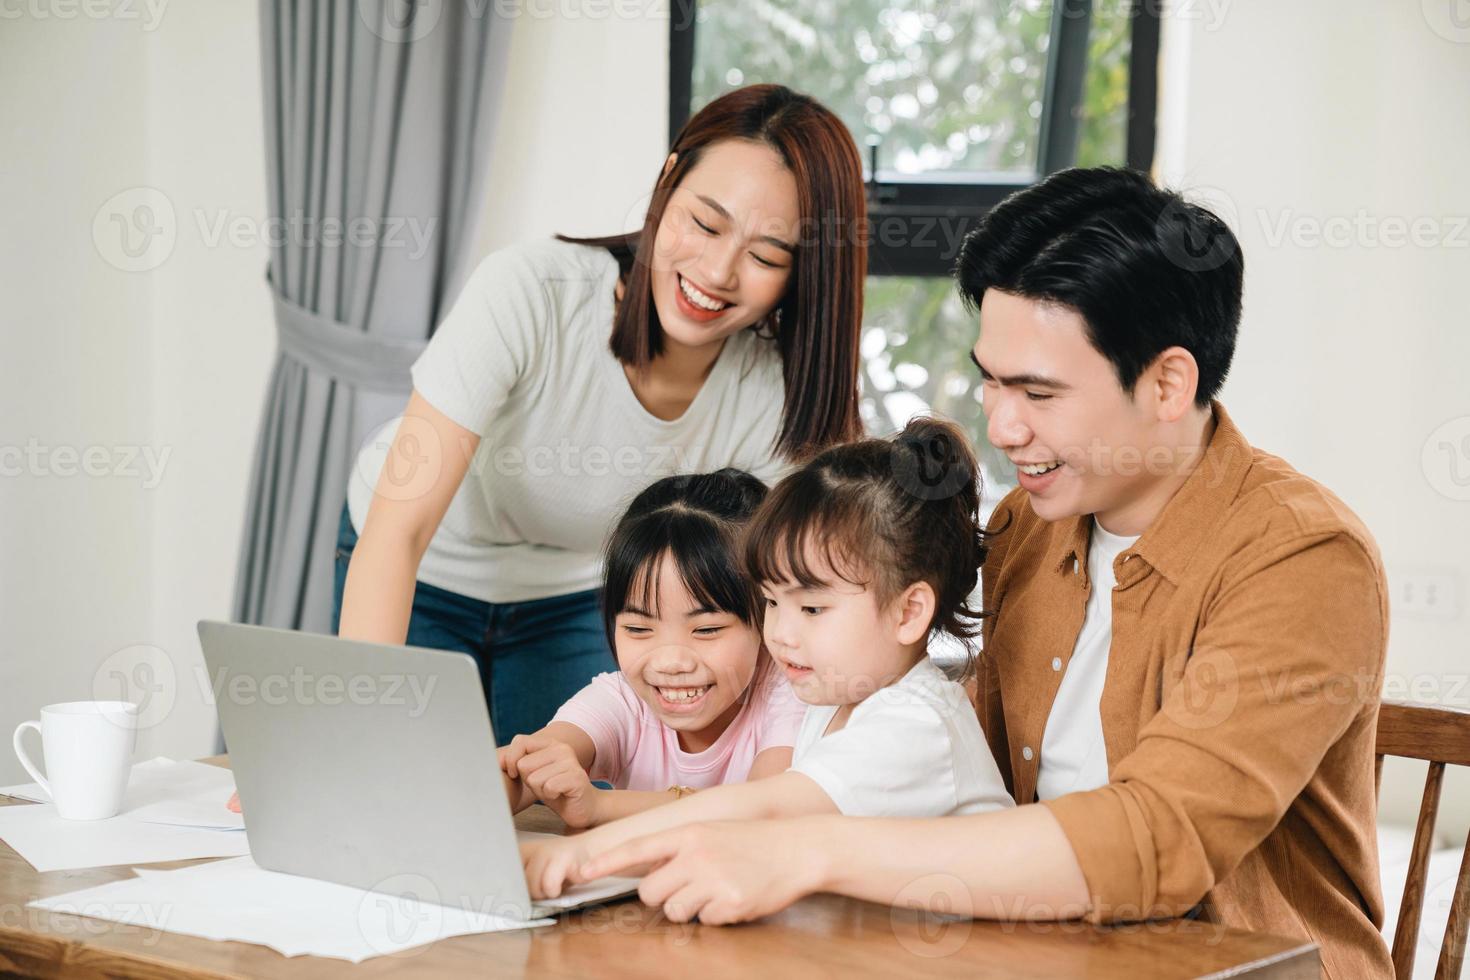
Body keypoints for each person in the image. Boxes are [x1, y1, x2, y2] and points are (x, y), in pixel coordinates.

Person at [578, 167, 1393, 979]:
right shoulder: (1027, 530)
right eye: (992, 381)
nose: (1002, 425)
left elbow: (1156, 840)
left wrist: (808, 849)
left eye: (1038, 392)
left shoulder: (1302, 560)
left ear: (1168, 382)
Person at [335, 84, 866, 745]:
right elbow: (399, 528)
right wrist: (352, 734)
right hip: (421, 560)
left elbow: (778, 598)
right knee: (398, 781)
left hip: (570, 594)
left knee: (558, 798)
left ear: (802, 273)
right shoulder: (532, 292)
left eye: (765, 256)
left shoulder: (780, 391)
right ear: (668, 181)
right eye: (704, 223)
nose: (718, 272)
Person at [523, 417, 1014, 900]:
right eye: (772, 603)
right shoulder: (830, 694)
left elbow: (762, 811)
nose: (778, 633)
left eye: (813, 608)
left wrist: (587, 852)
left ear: (908, 612)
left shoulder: (917, 723)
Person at [496, 468, 805, 829]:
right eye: (638, 628)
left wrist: (601, 806)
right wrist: (517, 775)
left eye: (706, 629)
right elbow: (526, 768)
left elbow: (765, 812)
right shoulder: (622, 700)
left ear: (769, 615)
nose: (670, 661)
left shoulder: (791, 697)